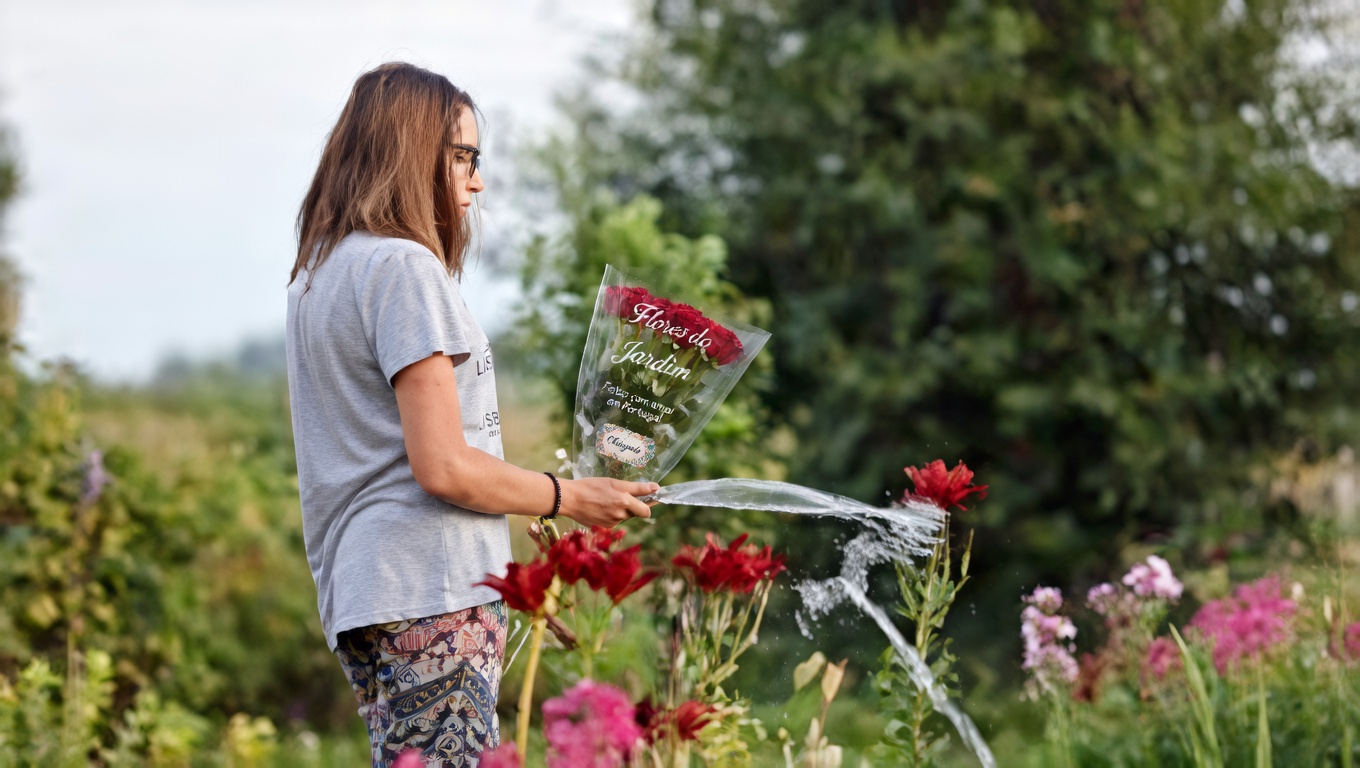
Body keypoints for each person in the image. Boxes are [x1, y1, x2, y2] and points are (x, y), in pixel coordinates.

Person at [285, 62, 658, 768]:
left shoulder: (319, 273)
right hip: (430, 585)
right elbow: (444, 466)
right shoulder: (402, 269)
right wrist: (568, 496)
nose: (476, 181)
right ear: (412, 151)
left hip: (367, 590)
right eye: (464, 157)